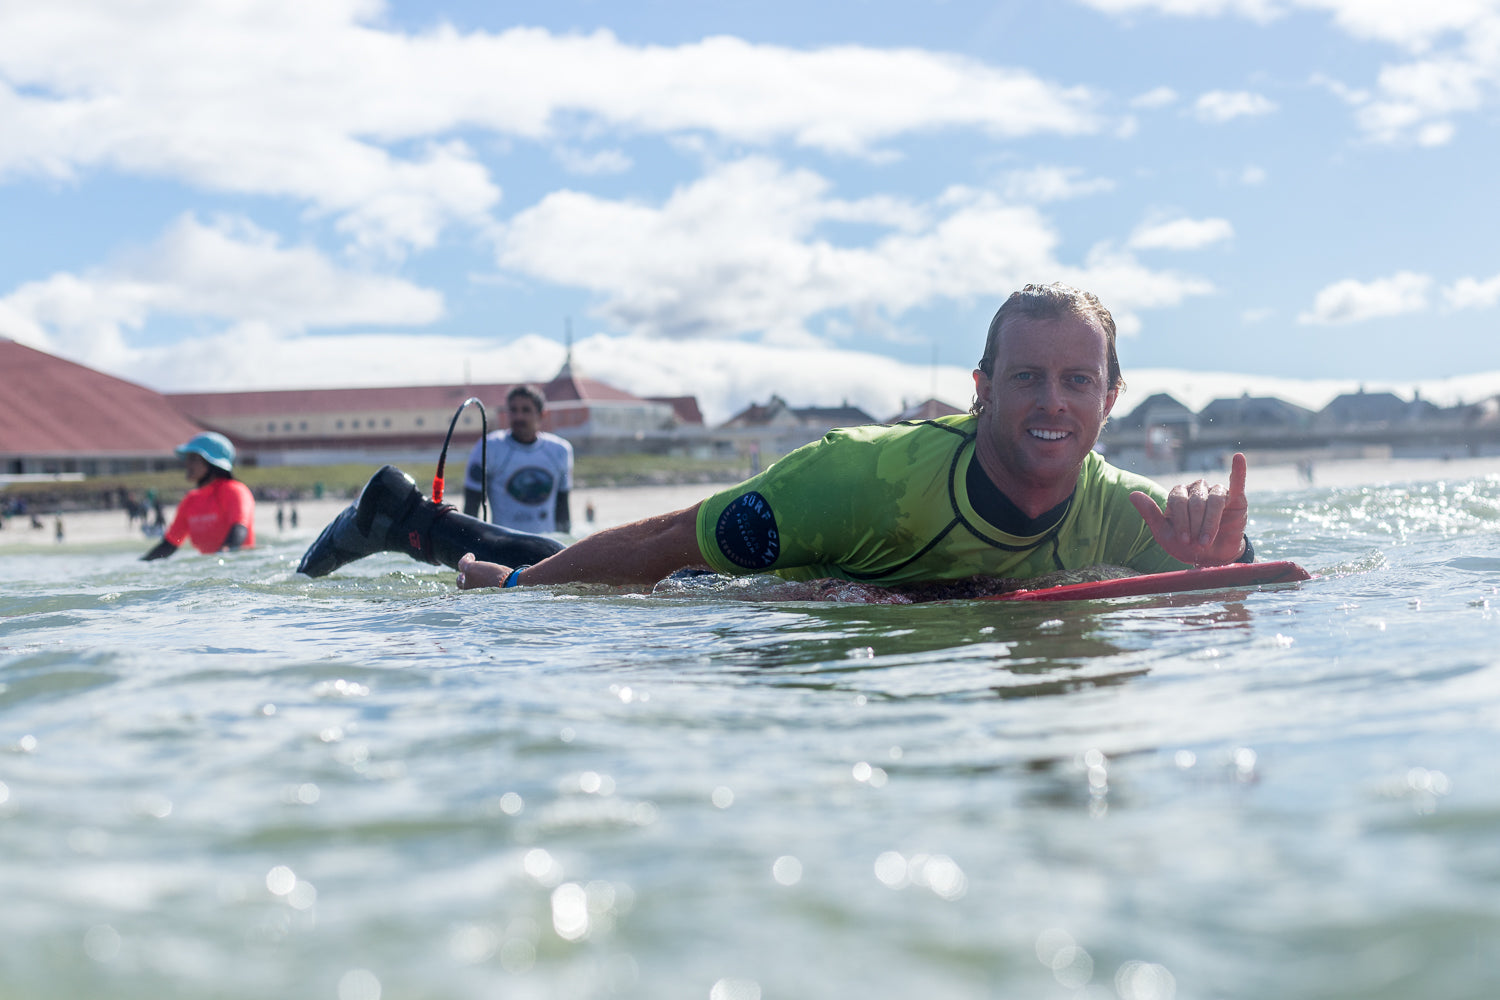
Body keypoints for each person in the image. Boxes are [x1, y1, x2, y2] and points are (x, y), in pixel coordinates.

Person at [450, 282, 1253, 591]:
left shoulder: (1133, 517)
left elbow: (1256, 593)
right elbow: (669, 539)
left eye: (1078, 380)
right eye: (1025, 377)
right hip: (739, 586)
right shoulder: (864, 477)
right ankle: (421, 528)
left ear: (1110, 399)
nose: (1053, 402)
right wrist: (518, 595)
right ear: (980, 392)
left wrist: (1220, 561)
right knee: (537, 563)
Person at [463, 385, 574, 534]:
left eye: (526, 410)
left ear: (542, 414)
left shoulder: (560, 450)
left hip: (547, 546)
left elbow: (563, 508)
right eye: (513, 410)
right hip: (504, 546)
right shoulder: (488, 447)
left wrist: (567, 550)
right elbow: (471, 507)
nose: (519, 417)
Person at [142, 432, 256, 560]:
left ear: (212, 463)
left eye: (193, 458)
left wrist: (223, 556)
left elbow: (239, 529)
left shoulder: (235, 490)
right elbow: (170, 544)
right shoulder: (190, 500)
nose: (187, 463)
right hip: (210, 570)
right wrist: (140, 565)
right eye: (187, 458)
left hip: (239, 567)